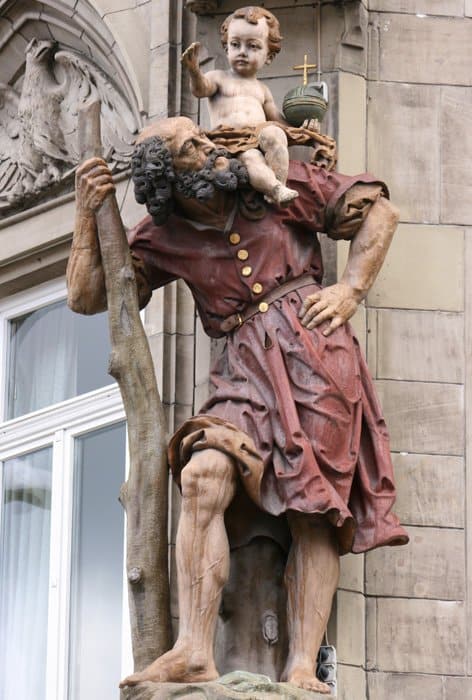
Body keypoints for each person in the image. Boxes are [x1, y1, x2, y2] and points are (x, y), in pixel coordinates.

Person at [67, 115, 408, 694]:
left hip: (317, 358)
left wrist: (350, 288)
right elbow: (87, 296)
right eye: (191, 147)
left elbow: (379, 211)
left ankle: (302, 665)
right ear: (166, 177)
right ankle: (193, 651)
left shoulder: (273, 183)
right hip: (241, 373)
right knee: (201, 475)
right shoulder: (164, 234)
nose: (210, 147)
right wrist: (84, 212)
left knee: (316, 512)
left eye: (202, 138)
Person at [181, 6, 300, 207]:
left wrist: (303, 129)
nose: (242, 52)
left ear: (269, 56)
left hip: (255, 137)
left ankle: (280, 184)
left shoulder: (262, 89)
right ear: (227, 48)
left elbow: (277, 119)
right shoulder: (218, 77)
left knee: (275, 133)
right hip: (229, 141)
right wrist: (194, 71)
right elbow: (200, 89)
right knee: (252, 158)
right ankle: (275, 188)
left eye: (252, 46)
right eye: (235, 44)